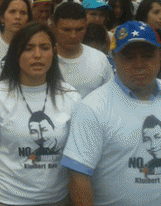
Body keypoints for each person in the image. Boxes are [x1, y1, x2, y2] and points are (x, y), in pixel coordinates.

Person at [0, 22, 81, 206]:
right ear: (16, 54)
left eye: (44, 48)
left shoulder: (70, 97)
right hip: (7, 198)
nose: (37, 55)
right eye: (28, 49)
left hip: (56, 199)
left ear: (53, 53)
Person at [62, 21, 161, 205]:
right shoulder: (93, 107)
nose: (139, 64)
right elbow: (78, 178)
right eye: (129, 57)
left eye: (148, 56)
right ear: (113, 57)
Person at [52, 2, 113, 98]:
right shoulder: (44, 59)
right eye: (67, 30)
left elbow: (111, 96)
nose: (73, 36)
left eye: (79, 29)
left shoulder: (100, 59)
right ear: (54, 28)